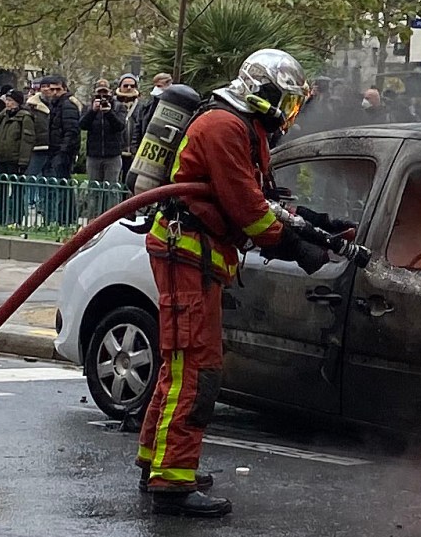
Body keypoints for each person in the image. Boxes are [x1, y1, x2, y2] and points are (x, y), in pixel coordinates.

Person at [137, 49, 337, 517]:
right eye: (287, 102)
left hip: (196, 253)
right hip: (188, 253)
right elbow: (249, 211)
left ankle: (157, 462)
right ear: (264, 94)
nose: (289, 113)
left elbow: (262, 198)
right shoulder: (225, 127)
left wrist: (316, 224)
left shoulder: (242, 126)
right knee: (197, 368)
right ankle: (172, 483)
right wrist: (296, 247)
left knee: (180, 364)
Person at [0, 89, 34, 226]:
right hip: (1, 158)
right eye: (7, 100)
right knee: (2, 191)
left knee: (17, 191)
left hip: (15, 160)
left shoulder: (24, 117)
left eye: (10, 101)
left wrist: (23, 161)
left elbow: (27, 140)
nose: (8, 103)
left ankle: (16, 219)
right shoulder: (4, 114)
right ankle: (1, 219)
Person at [80, 79, 126, 217]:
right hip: (94, 154)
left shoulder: (118, 107)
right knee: (94, 189)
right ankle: (94, 218)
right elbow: (82, 125)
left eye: (105, 93)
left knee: (112, 189)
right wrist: (93, 111)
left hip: (113, 155)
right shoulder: (88, 107)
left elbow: (120, 126)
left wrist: (109, 113)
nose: (102, 96)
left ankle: (112, 218)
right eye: (99, 93)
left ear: (110, 92)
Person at [40, 74, 81, 225]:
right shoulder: (56, 105)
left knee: (63, 186)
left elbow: (71, 131)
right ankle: (62, 218)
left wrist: (64, 151)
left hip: (63, 152)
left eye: (57, 89)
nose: (54, 92)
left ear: (64, 88)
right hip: (55, 149)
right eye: (52, 89)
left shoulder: (67, 105)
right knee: (59, 185)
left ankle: (66, 219)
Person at [112, 73, 142, 181]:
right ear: (120, 86)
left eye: (132, 86)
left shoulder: (141, 105)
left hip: (134, 151)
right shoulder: (113, 104)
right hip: (116, 149)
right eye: (125, 85)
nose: (129, 88)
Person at [130, 71, 173, 143]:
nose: (157, 89)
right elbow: (138, 126)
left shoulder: (173, 105)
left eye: (160, 86)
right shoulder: (147, 104)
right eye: (156, 86)